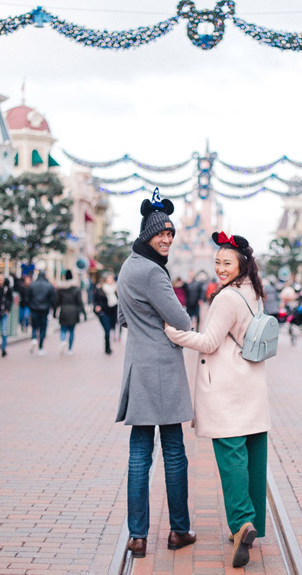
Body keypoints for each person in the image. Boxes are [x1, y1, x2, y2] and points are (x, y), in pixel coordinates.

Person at [165, 231, 271, 569]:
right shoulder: (254, 292)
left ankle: (242, 525)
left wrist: (173, 332)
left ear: (241, 263)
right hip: (252, 382)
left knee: (231, 456)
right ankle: (252, 522)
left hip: (226, 385)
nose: (220, 268)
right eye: (217, 262)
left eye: (226, 262)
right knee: (254, 453)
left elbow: (210, 341)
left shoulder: (226, 298)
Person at [115, 190, 196, 559]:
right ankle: (179, 529)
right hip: (162, 368)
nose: (166, 239)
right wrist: (168, 324)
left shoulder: (128, 266)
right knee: (174, 452)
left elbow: (122, 318)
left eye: (170, 234)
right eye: (161, 233)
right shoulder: (153, 272)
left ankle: (137, 536)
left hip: (137, 366)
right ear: (147, 234)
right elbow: (181, 320)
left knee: (139, 454)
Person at [54, 270, 85, 356]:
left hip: (63, 310)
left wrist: (54, 312)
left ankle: (63, 341)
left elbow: (56, 302)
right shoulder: (76, 289)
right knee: (71, 330)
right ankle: (70, 349)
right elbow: (80, 302)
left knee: (63, 329)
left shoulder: (61, 289)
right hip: (73, 311)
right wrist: (84, 313)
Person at [27, 269, 56, 356]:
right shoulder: (49, 286)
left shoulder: (32, 285)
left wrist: (31, 306)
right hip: (44, 310)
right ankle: (40, 347)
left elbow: (28, 298)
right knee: (43, 328)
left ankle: (34, 339)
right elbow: (52, 299)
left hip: (34, 309)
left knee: (34, 326)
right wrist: (51, 309)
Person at [93, 272, 119, 355]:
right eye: (108, 279)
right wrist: (97, 307)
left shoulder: (116, 288)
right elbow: (95, 300)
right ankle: (107, 348)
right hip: (104, 312)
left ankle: (109, 345)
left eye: (111, 279)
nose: (110, 281)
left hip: (113, 311)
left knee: (111, 328)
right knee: (107, 330)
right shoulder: (100, 288)